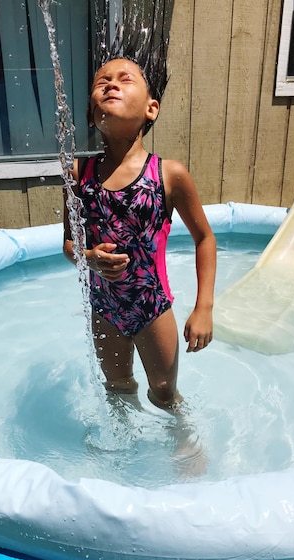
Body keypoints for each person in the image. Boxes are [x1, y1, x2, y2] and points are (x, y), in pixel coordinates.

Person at [63, 54, 216, 414]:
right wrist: (88, 258)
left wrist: (204, 307)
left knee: (163, 392)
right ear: (91, 114)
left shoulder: (169, 174)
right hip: (104, 308)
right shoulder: (76, 173)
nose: (111, 84)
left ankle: (184, 443)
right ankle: (122, 453)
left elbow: (205, 239)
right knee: (117, 387)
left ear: (151, 108)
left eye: (124, 79)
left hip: (151, 307)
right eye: (102, 82)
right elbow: (69, 244)